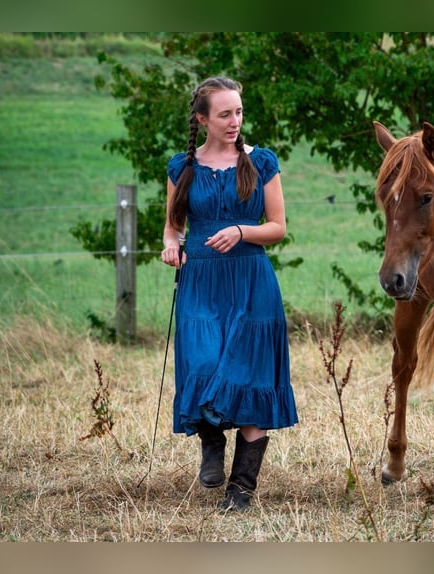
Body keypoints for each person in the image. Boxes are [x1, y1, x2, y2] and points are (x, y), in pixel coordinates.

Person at [161, 76, 298, 511]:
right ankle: (211, 441)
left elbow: (277, 227)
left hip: (251, 282)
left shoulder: (262, 163)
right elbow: (172, 226)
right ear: (202, 119)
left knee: (250, 378)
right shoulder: (181, 168)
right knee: (201, 364)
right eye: (225, 114)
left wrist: (242, 230)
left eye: (238, 112)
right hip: (200, 281)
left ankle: (241, 490)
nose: (235, 121)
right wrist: (170, 245)